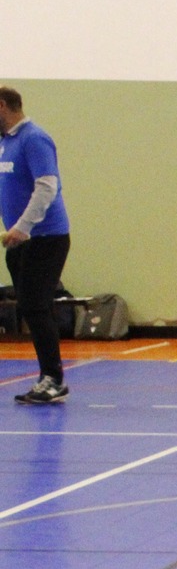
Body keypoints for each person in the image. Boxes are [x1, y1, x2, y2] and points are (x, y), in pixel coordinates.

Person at [0, 87, 71, 406]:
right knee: (31, 305)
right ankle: (48, 376)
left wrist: (23, 227)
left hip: (46, 238)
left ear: (3, 106)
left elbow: (47, 187)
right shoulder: (6, 144)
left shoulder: (34, 138)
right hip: (20, 242)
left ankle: (53, 379)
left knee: (35, 306)